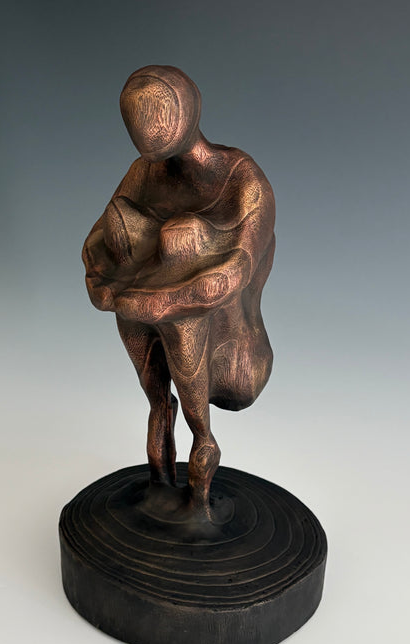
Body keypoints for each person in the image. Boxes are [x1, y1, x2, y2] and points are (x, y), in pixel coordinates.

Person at [82, 65, 275, 520]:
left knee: (193, 411)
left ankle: (200, 492)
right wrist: (104, 276)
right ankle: (159, 486)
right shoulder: (143, 172)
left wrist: (170, 293)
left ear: (186, 111)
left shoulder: (242, 178)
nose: (145, 133)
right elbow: (96, 242)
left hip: (194, 315)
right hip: (135, 303)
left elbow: (236, 268)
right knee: (156, 400)